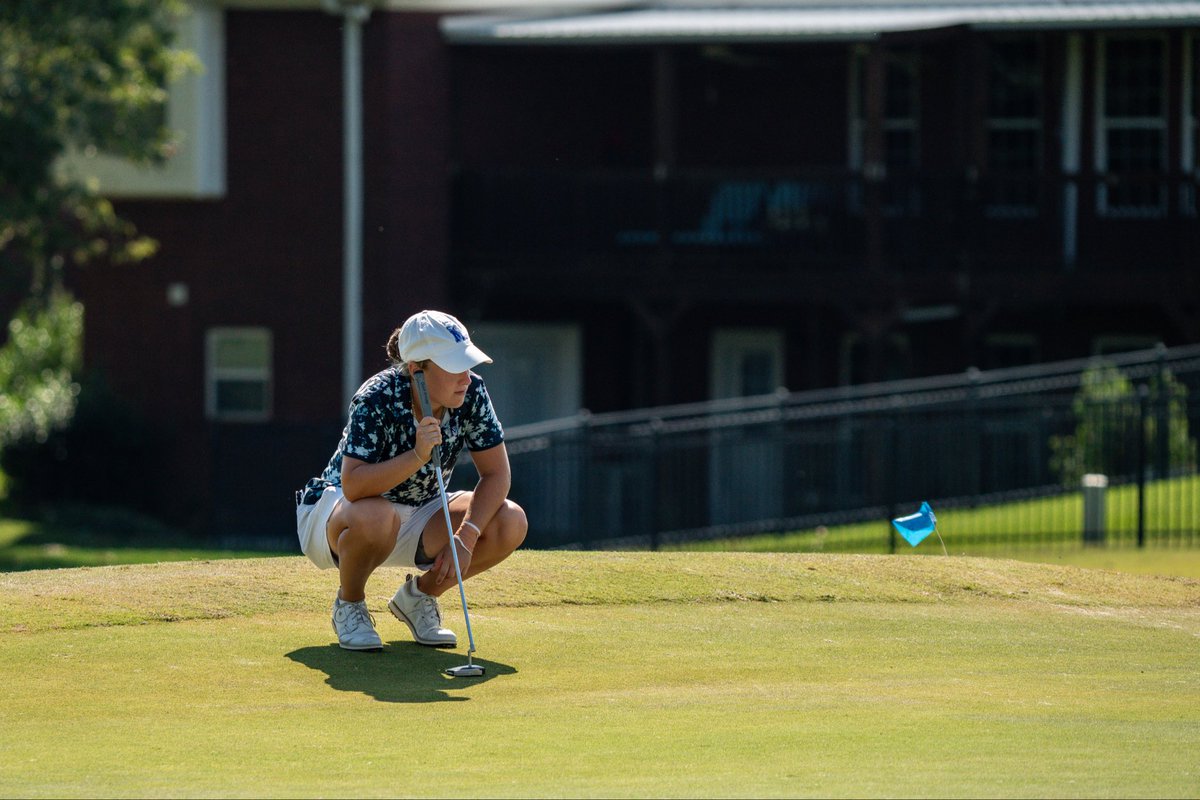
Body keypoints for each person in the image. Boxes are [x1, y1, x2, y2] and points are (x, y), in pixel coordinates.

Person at [295, 310, 527, 651]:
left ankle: (418, 598)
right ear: (418, 370)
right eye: (454, 366)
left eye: (467, 364)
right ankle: (350, 604)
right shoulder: (377, 396)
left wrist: (466, 538)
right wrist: (418, 455)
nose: (466, 377)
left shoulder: (472, 392)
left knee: (510, 521)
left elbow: (497, 474)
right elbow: (353, 486)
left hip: (422, 512)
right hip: (339, 513)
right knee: (378, 515)